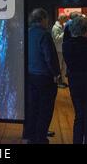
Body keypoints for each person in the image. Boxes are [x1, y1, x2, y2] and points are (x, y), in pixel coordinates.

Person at [23, 8, 60, 144]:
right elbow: (49, 57)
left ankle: (29, 136)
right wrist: (56, 73)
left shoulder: (26, 33)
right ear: (42, 19)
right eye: (46, 19)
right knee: (45, 109)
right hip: (44, 77)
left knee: (32, 107)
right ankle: (40, 138)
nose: (48, 21)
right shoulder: (44, 35)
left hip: (30, 76)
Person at [52, 14, 68, 88]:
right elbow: (56, 39)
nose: (66, 20)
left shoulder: (64, 26)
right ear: (61, 19)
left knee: (64, 66)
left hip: (64, 49)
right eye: (65, 19)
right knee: (59, 66)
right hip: (58, 49)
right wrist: (64, 34)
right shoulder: (55, 28)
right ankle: (58, 82)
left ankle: (63, 81)